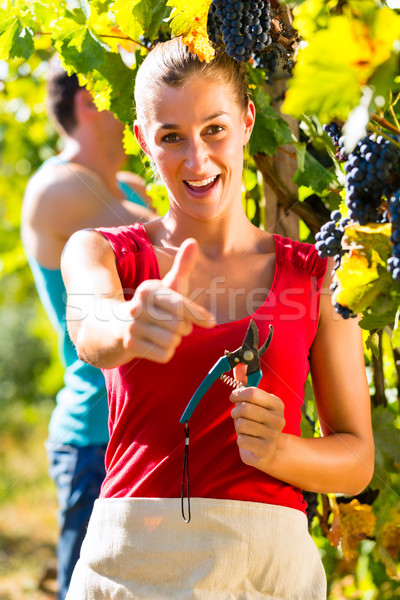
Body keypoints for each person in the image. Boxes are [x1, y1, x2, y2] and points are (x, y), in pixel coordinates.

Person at [61, 37, 374, 599]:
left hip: (266, 577)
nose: (197, 160)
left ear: (248, 120)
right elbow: (90, 328)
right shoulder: (100, 251)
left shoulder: (317, 274)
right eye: (171, 137)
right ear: (141, 140)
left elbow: (356, 460)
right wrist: (130, 324)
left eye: (215, 129)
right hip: (132, 571)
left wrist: (281, 451)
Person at [21, 58, 154, 600]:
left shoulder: (126, 185)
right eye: (122, 91)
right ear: (85, 100)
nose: (135, 111)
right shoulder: (59, 188)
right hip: (96, 436)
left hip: (145, 428)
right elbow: (181, 239)